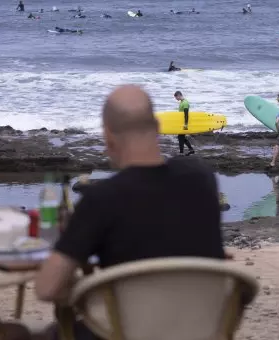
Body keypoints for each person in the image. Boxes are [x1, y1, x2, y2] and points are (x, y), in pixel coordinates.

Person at [35, 85, 225, 339]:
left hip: (125, 332)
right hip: (197, 329)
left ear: (108, 138)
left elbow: (47, 289)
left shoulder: (100, 199)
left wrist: (75, 235)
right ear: (158, 129)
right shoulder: (202, 178)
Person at [174, 91, 195, 156]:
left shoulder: (185, 103)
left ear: (179, 95)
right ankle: (191, 150)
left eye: (176, 97)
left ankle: (181, 152)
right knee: (181, 137)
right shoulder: (182, 102)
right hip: (182, 123)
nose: (176, 99)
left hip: (184, 123)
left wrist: (186, 124)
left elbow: (186, 114)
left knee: (180, 137)